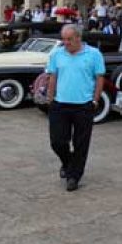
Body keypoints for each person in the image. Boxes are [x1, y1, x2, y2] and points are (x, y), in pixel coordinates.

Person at [45, 25, 106, 191]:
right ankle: (67, 162)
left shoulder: (94, 54)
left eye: (69, 39)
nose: (66, 43)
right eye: (63, 39)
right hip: (59, 104)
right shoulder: (57, 53)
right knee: (57, 141)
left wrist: (95, 100)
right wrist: (50, 98)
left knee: (81, 143)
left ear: (78, 37)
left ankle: (74, 177)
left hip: (84, 105)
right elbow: (52, 76)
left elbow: (99, 77)